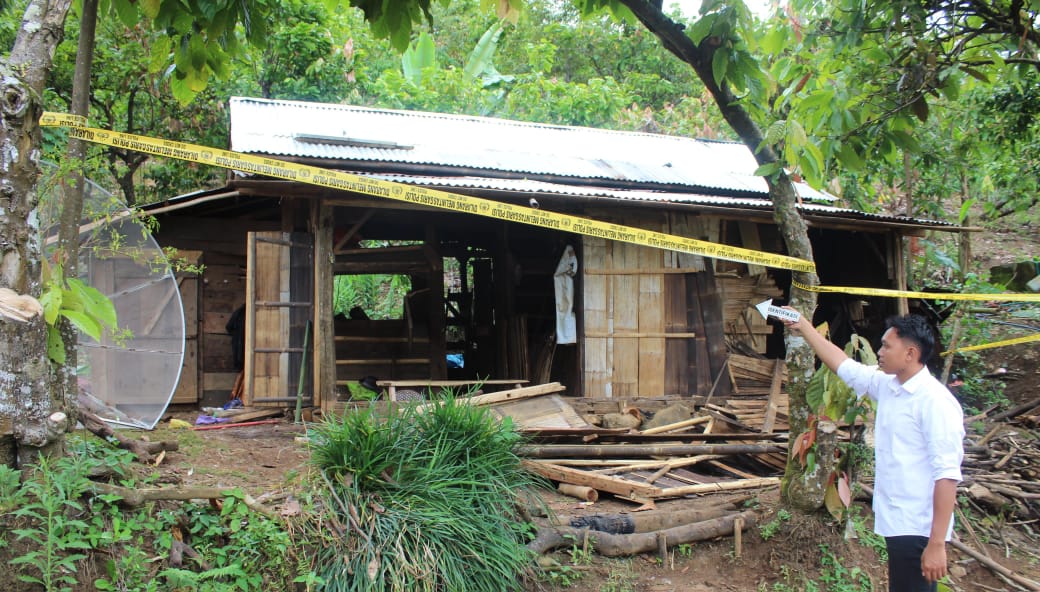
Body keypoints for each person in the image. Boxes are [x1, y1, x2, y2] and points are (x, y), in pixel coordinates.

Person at [785, 311, 964, 592]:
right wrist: (804, 327)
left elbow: (947, 476)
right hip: (897, 521)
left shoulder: (935, 402)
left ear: (910, 353)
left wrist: (937, 543)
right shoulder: (890, 387)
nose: (878, 352)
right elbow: (844, 365)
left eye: (886, 346)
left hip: (918, 527)